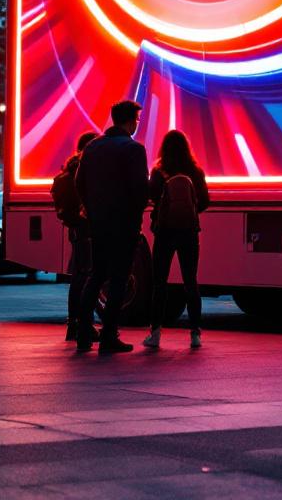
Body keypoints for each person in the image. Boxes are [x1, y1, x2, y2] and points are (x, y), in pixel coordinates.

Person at [74, 101, 149, 354]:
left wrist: (92, 209)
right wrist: (135, 217)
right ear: (130, 121)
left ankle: (83, 331)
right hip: (124, 224)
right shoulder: (134, 149)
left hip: (98, 223)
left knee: (96, 275)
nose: (137, 125)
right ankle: (109, 335)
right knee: (119, 279)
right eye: (137, 120)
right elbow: (140, 190)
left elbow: (79, 183)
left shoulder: (93, 147)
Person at [144, 130, 210, 350]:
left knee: (159, 283)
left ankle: (155, 333)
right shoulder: (195, 171)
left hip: (164, 231)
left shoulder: (159, 171)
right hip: (189, 232)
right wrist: (189, 210)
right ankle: (195, 333)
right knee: (190, 281)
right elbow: (205, 201)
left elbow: (151, 195)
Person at [55, 132, 98, 341]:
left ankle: (74, 324)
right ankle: (84, 325)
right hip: (87, 228)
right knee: (87, 277)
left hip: (76, 229)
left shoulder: (70, 169)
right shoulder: (86, 168)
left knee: (79, 277)